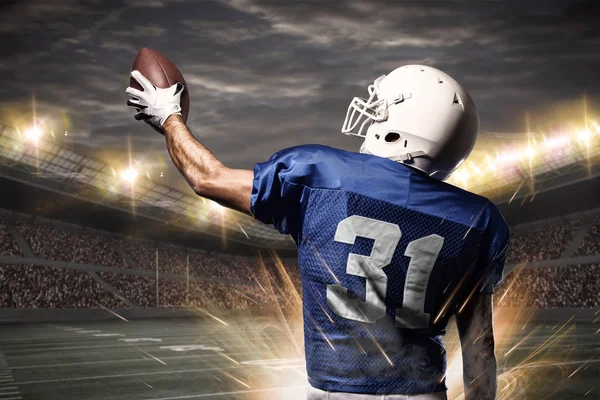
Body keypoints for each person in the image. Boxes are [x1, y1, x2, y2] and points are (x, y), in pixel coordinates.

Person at [126, 64, 509, 400]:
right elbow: (481, 349)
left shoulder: (321, 175)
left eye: (381, 108)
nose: (371, 114)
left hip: (334, 392)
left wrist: (168, 116)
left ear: (403, 128)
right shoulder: (478, 219)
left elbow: (207, 178)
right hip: (424, 392)